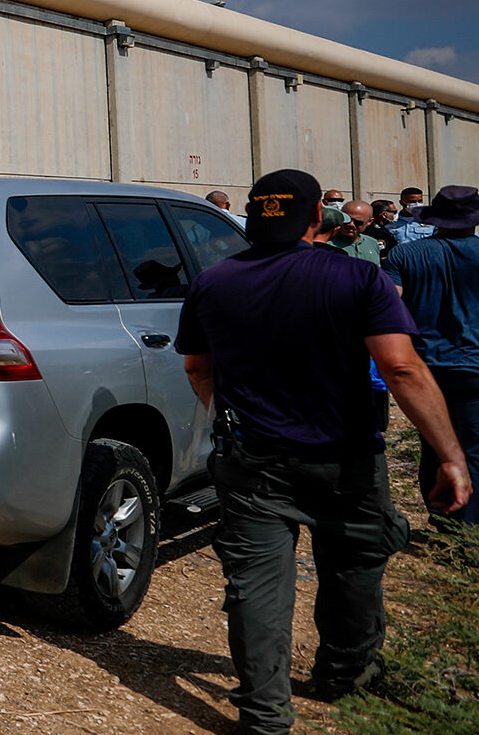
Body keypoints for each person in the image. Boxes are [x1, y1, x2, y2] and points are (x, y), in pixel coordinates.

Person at [177, 170, 471, 733]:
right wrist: (450, 455)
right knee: (355, 569)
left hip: (252, 459)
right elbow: (402, 367)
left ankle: (264, 715)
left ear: (254, 215)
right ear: (317, 217)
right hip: (346, 457)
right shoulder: (358, 277)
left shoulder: (212, 283)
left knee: (257, 587)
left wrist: (230, 418)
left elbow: (197, 367)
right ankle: (344, 673)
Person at [383, 185, 479, 526]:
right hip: (474, 366)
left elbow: (388, 307)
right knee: (474, 448)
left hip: (424, 367)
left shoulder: (404, 255)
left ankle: (441, 519)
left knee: (432, 442)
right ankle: (468, 531)